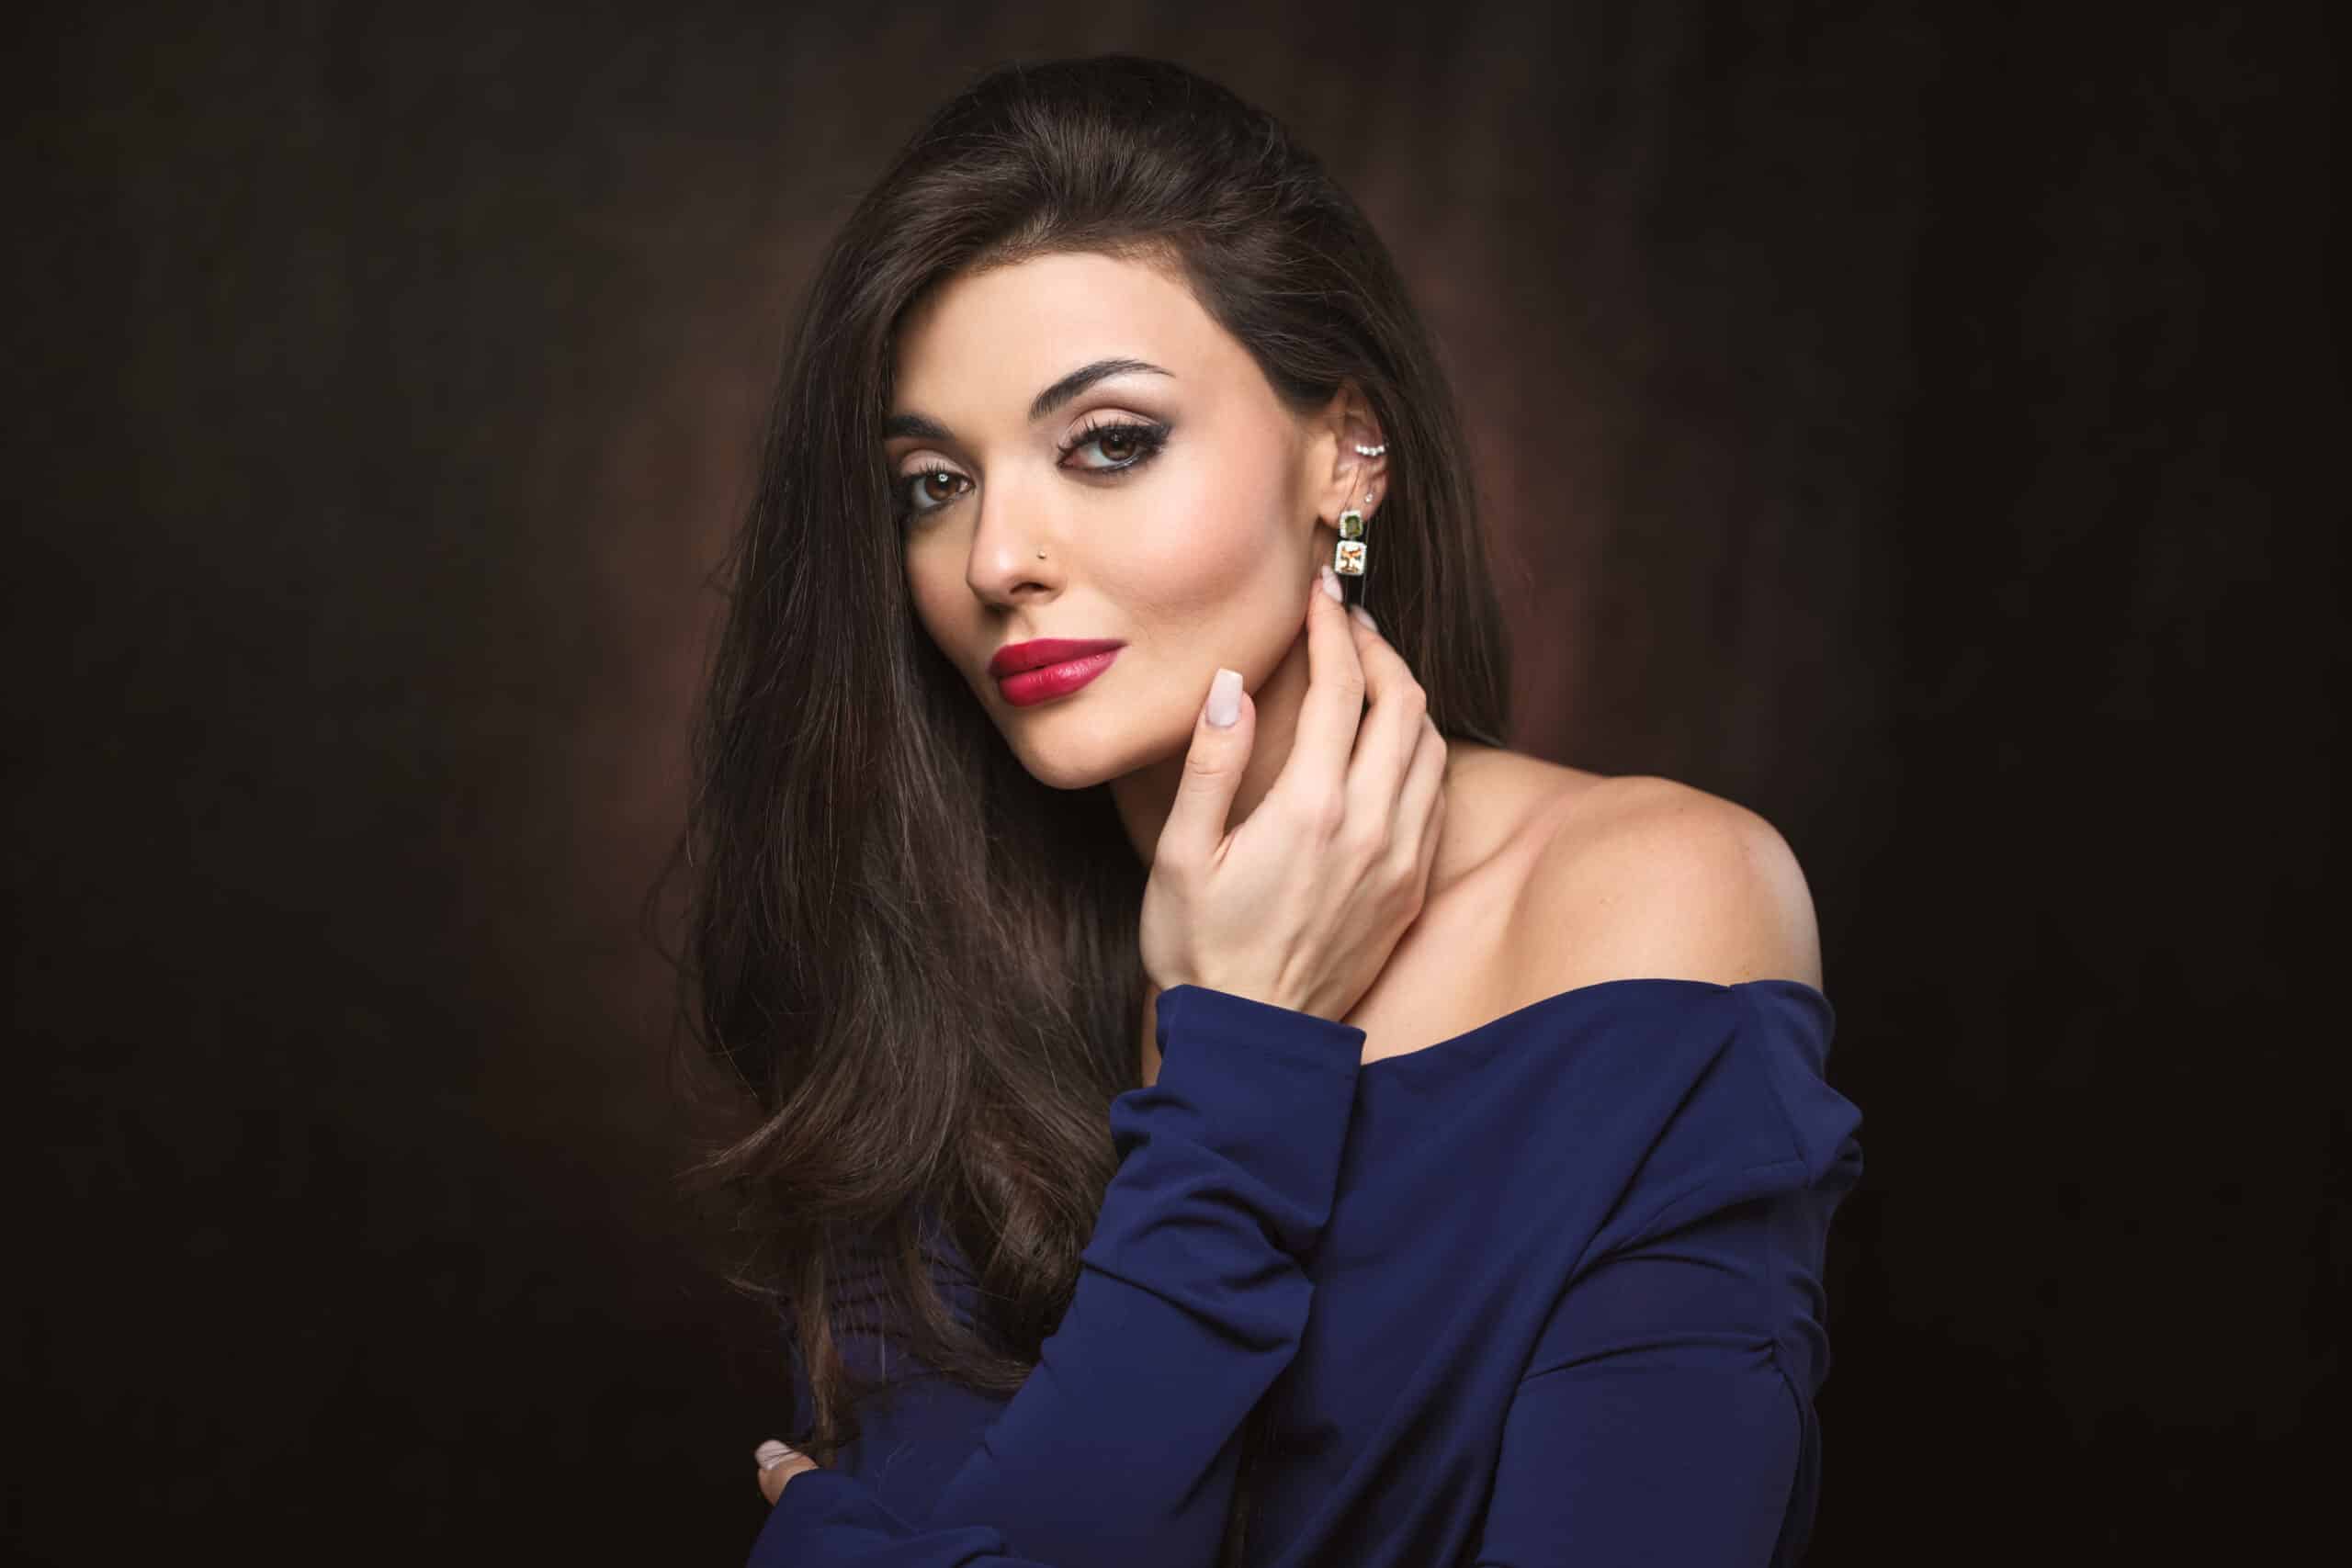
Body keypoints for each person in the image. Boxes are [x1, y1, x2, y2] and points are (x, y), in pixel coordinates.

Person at [674, 52, 1862, 1568]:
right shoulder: (926, 970)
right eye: (932, 483)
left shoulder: (1648, 901)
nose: (995, 559)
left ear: (1345, 455)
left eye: (1108, 443)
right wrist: (1243, 1055)